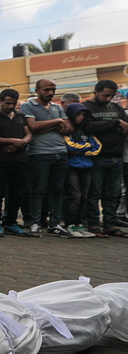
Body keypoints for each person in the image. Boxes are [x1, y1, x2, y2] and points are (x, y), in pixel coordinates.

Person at [19, 79, 72, 237]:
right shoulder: (28, 106)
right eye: (46, 89)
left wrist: (47, 125)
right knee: (38, 189)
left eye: (53, 89)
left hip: (61, 153)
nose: (50, 93)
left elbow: (68, 128)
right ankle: (35, 223)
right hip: (39, 153)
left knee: (57, 190)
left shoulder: (56, 107)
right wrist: (56, 122)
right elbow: (32, 127)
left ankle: (54, 224)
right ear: (37, 90)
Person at [80, 79, 128, 237]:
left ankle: (109, 224)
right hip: (96, 158)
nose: (109, 99)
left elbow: (125, 124)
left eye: (112, 96)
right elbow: (87, 127)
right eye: (106, 95)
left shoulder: (115, 106)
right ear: (95, 92)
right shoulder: (85, 107)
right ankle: (94, 225)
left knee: (113, 194)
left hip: (116, 156)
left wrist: (117, 125)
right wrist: (114, 123)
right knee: (94, 193)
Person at [0, 88, 31, 236]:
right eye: (8, 103)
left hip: (20, 159)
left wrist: (21, 143)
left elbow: (29, 134)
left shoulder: (20, 115)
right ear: (0, 101)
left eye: (13, 103)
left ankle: (11, 222)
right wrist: (11, 141)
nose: (10, 106)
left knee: (17, 193)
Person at [63, 103, 100, 238]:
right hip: (72, 167)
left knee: (84, 197)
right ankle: (70, 224)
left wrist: (85, 149)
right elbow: (71, 147)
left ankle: (80, 224)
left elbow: (97, 146)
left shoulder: (86, 130)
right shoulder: (67, 130)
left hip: (87, 167)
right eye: (78, 114)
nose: (81, 117)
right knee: (74, 197)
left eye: (83, 115)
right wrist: (87, 147)